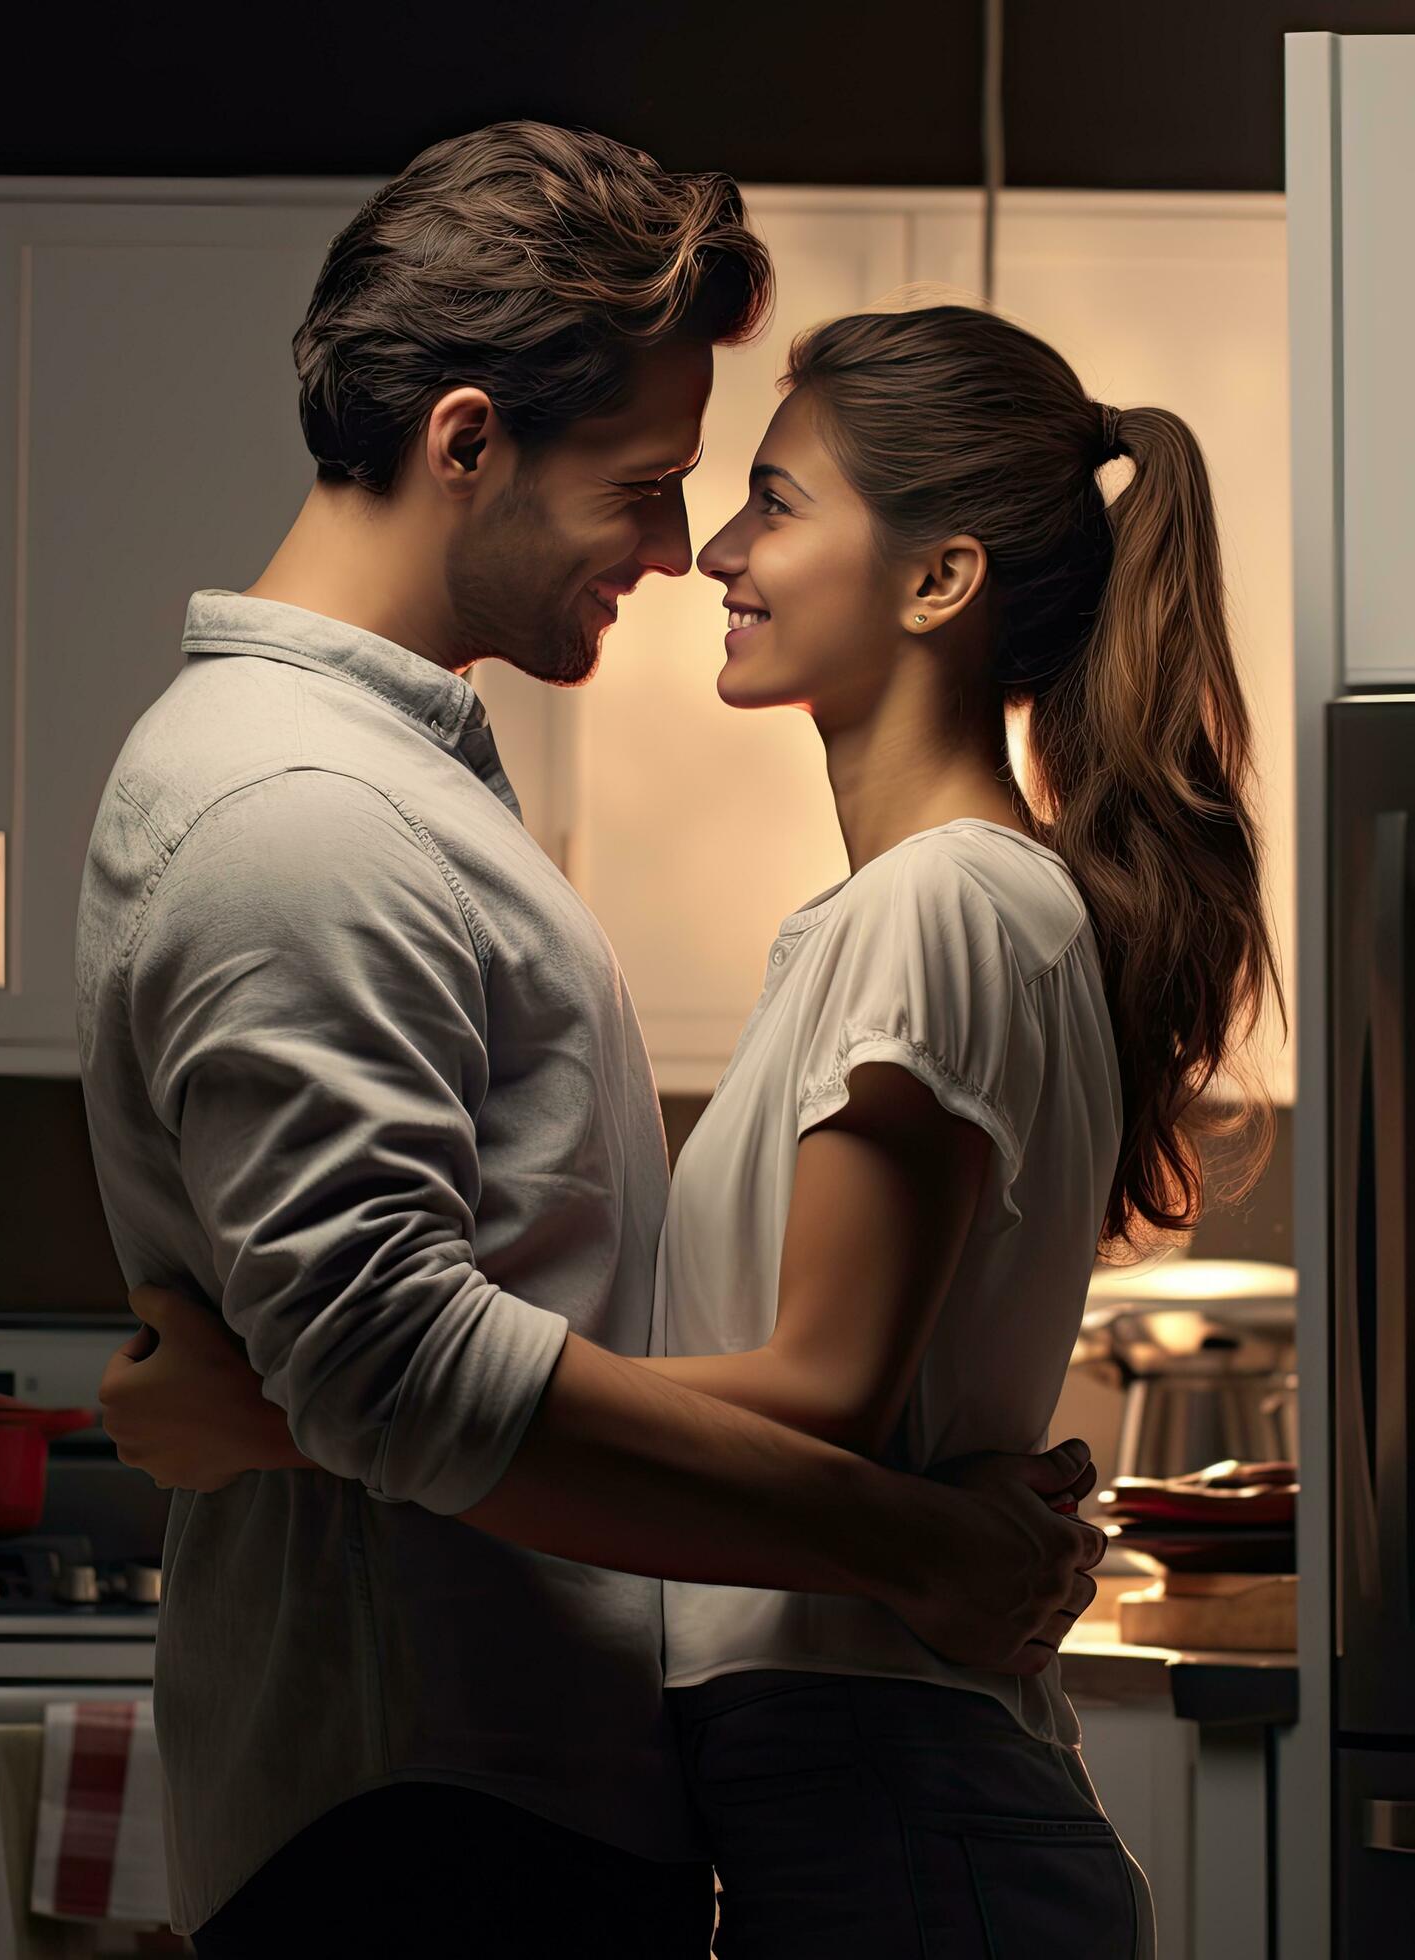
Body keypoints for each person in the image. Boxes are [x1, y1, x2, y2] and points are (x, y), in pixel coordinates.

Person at [78, 123, 1105, 1958]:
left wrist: (899, 1482)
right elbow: (388, 1367)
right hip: (426, 1825)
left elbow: (409, 1359)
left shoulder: (400, 791)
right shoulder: (301, 812)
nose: (673, 542)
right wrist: (906, 1541)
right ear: (465, 441)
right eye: (643, 483)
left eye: (725, 496)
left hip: (496, 1799)